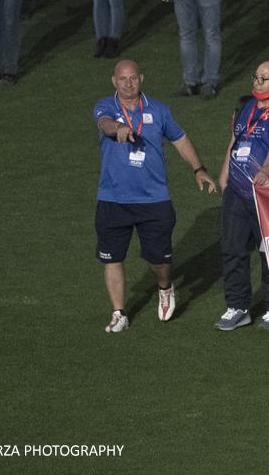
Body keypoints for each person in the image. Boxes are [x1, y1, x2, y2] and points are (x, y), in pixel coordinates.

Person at [93, 59, 216, 332]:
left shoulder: (158, 111)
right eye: (122, 78)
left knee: (159, 260)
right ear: (114, 81)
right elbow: (105, 124)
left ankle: (164, 286)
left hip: (154, 199)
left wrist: (199, 169)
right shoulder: (105, 106)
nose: (128, 83)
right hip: (113, 198)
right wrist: (120, 128)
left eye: (133, 78)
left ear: (141, 79)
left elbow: (179, 139)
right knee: (112, 258)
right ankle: (119, 312)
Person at [215, 62, 269, 331]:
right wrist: (224, 175)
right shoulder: (243, 105)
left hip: (265, 193)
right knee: (232, 250)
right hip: (236, 191)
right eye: (256, 76)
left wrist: (263, 173)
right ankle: (237, 306)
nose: (258, 82)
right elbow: (234, 142)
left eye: (264, 78)